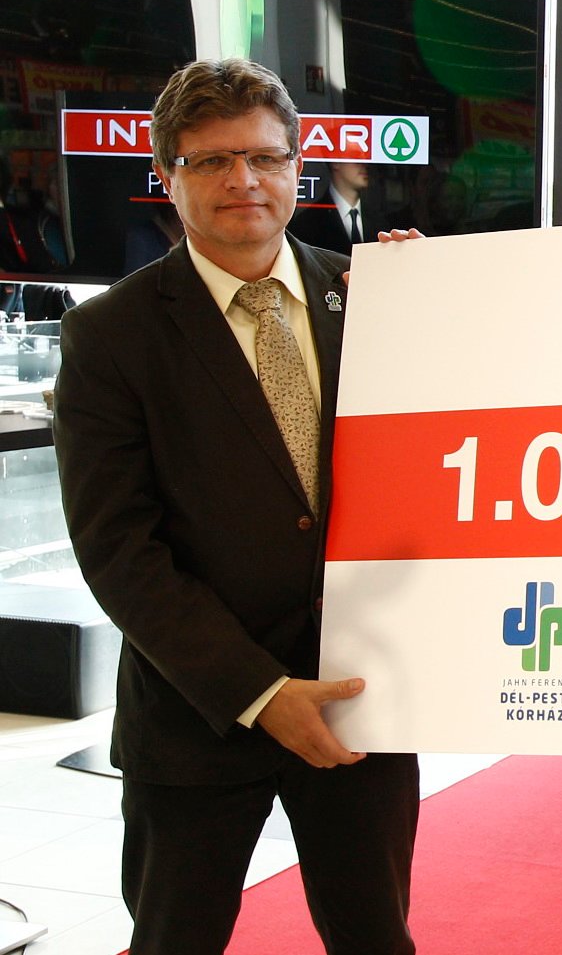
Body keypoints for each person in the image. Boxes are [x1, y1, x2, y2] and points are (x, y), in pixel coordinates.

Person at [52, 58, 419, 955]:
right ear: (167, 175)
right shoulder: (110, 334)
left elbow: (457, 452)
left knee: (376, 938)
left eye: (263, 156)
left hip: (360, 700)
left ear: (299, 166)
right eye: (211, 161)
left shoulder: (378, 298)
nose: (242, 180)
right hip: (197, 715)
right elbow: (118, 550)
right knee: (175, 940)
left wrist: (441, 306)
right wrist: (259, 692)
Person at [289, 160, 382, 254]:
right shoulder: (307, 223)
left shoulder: (380, 219)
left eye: (366, 158)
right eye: (356, 157)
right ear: (335, 163)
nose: (365, 164)